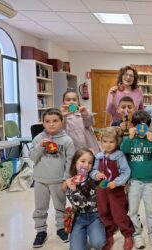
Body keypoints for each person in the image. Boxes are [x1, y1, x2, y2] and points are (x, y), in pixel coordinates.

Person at [30, 108, 75, 248]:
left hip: (58, 181)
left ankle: (61, 228)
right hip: (40, 180)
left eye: (55, 121)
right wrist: (40, 146)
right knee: (40, 208)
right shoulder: (38, 138)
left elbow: (70, 161)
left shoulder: (67, 140)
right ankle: (41, 231)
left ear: (62, 122)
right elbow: (32, 157)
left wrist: (65, 179)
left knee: (60, 207)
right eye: (47, 121)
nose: (51, 124)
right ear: (43, 123)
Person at [120, 110, 152, 249]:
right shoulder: (130, 140)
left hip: (149, 182)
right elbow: (123, 150)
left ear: (148, 127)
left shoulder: (151, 140)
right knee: (133, 210)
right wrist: (130, 137)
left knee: (150, 210)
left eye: (144, 126)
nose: (141, 129)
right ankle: (136, 234)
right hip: (134, 181)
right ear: (133, 126)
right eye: (137, 125)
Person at [90, 127, 134, 250]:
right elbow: (92, 171)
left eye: (111, 142)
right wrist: (96, 174)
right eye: (105, 141)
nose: (108, 145)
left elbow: (126, 172)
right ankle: (109, 233)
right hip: (101, 189)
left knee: (119, 212)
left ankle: (128, 234)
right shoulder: (98, 156)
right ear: (100, 141)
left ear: (117, 142)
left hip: (116, 189)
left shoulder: (119, 156)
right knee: (103, 211)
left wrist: (117, 182)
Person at [63, 149, 106, 250]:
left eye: (90, 162)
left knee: (99, 244)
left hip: (95, 217)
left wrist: (102, 177)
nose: (86, 165)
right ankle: (80, 235)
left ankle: (97, 231)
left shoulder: (94, 179)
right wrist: (73, 189)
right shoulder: (70, 182)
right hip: (78, 218)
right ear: (75, 162)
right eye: (83, 161)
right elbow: (81, 205)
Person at [60, 88, 100, 153]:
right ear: (63, 102)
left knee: (90, 158)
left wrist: (85, 115)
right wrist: (63, 116)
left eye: (74, 100)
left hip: (87, 143)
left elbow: (90, 123)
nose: (71, 102)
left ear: (78, 102)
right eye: (68, 100)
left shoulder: (84, 112)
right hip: (73, 144)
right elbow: (61, 129)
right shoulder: (62, 115)